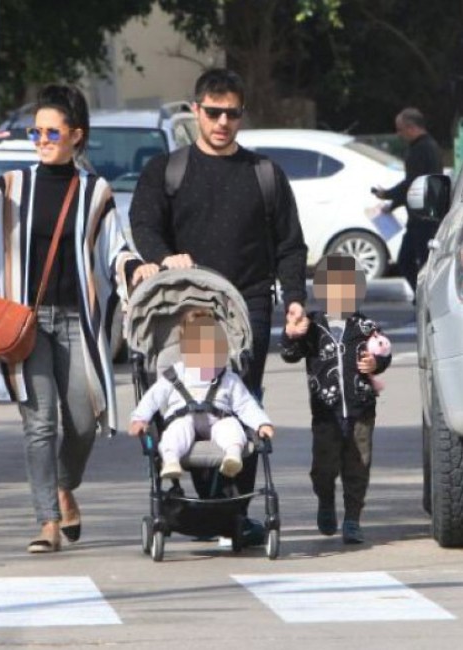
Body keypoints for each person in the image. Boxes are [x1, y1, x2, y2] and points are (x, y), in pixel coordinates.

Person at [0, 84, 157, 554]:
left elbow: (114, 249)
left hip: (78, 321)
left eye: (52, 132)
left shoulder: (95, 192)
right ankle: (47, 521)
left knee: (83, 422)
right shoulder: (11, 186)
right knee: (40, 424)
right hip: (27, 323)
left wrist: (134, 268)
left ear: (76, 135)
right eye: (35, 132)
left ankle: (63, 485)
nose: (41, 139)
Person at [129, 67, 308, 533]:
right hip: (186, 307)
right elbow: (144, 224)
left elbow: (291, 244)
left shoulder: (264, 174)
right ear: (196, 111)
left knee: (240, 400)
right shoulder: (167, 171)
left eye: (232, 113)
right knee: (187, 400)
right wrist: (165, 258)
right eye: (213, 112)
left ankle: (233, 513)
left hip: (248, 306)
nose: (223, 122)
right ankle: (196, 506)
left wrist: (294, 298)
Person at [280, 253, 392, 544]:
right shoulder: (313, 326)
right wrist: (291, 334)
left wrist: (376, 363)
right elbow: (290, 354)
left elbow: (383, 351)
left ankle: (352, 519)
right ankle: (326, 501)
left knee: (358, 465)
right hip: (326, 412)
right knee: (324, 467)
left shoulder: (366, 327)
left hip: (361, 410)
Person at [129, 309, 274, 479]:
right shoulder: (175, 374)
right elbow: (153, 397)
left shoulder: (227, 377)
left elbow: (245, 404)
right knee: (176, 432)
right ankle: (171, 460)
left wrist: (261, 423)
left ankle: (232, 456)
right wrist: (140, 418)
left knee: (232, 428)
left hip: (218, 419)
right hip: (183, 417)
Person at [372, 107, 443, 295]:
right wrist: (393, 205)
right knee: (408, 261)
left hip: (424, 218)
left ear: (411, 127)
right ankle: (422, 298)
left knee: (419, 262)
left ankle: (427, 299)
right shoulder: (424, 147)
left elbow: (412, 183)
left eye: (400, 129)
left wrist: (387, 194)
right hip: (420, 216)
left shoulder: (423, 149)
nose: (399, 134)